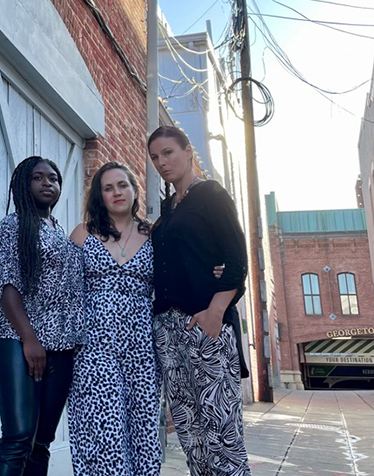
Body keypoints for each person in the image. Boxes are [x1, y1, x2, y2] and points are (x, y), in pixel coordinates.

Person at [148, 126, 251, 476]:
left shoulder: (210, 194)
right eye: (155, 157)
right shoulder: (169, 207)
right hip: (167, 330)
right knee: (190, 432)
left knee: (221, 431)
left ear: (188, 151)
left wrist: (215, 313)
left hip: (204, 323)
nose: (162, 162)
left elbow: (237, 261)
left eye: (168, 153)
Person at [0, 155, 85, 476]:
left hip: (61, 348)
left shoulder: (59, 232)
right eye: (38, 177)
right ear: (22, 184)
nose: (48, 183)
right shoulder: (12, 226)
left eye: (54, 178)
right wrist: (29, 340)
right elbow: (6, 285)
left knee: (41, 442)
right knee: (18, 437)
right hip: (18, 340)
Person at [67, 162, 162, 475]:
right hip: (95, 349)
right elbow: (63, 290)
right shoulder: (83, 234)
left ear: (134, 189)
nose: (116, 192)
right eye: (108, 188)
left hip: (142, 350)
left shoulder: (154, 235)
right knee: (102, 430)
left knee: (144, 430)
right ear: (99, 196)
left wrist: (216, 272)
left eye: (122, 185)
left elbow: (179, 279)